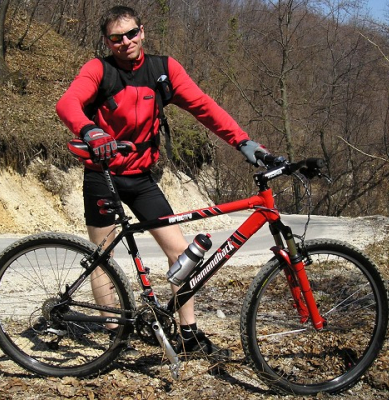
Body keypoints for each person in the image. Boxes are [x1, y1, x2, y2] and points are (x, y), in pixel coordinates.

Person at [56, 5, 268, 359]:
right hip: (102, 175)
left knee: (182, 254)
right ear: (107, 41)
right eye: (116, 38)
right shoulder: (98, 69)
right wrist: (90, 130)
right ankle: (114, 336)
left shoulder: (163, 70)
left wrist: (243, 142)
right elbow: (67, 104)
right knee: (104, 257)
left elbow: (204, 107)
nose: (125, 42)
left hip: (141, 178)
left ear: (142, 31)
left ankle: (188, 334)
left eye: (131, 34)